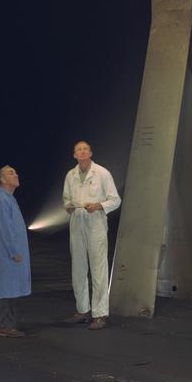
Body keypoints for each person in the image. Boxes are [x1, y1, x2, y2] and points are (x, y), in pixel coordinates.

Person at [62, 141, 120, 329]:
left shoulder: (102, 173)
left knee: (98, 268)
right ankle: (82, 310)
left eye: (85, 149)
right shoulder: (70, 175)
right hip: (77, 223)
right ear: (74, 155)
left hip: (95, 223)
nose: (82, 151)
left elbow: (115, 200)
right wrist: (68, 207)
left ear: (91, 153)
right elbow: (66, 199)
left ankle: (100, 313)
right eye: (79, 149)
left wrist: (99, 206)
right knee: (78, 268)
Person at [0, 165, 31, 337]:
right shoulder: (1, 200)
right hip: (6, 254)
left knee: (9, 288)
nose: (16, 174)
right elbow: (6, 229)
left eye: (15, 172)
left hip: (9, 253)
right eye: (11, 173)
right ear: (3, 180)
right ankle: (5, 326)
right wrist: (14, 251)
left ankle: (5, 325)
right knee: (6, 289)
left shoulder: (8, 198)